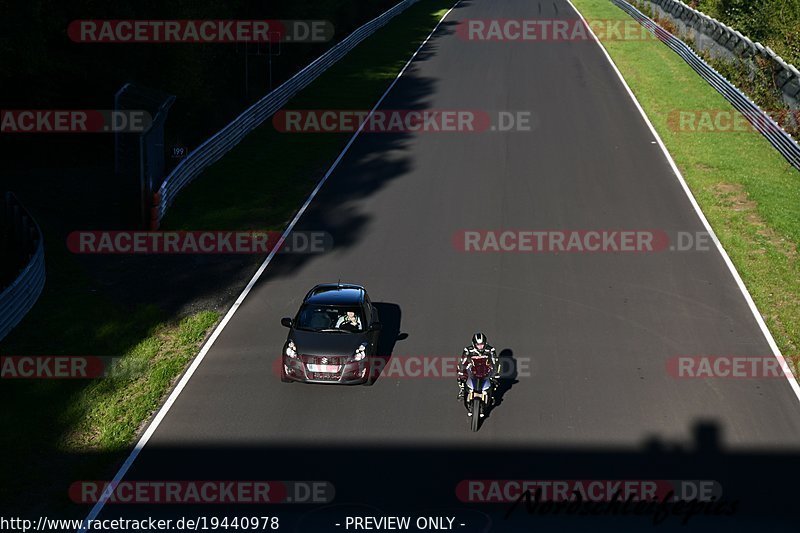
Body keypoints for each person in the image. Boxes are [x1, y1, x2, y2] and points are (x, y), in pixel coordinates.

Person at [457, 332, 499, 402]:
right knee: (461, 378)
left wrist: (495, 374)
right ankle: (463, 390)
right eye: (478, 345)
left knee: (495, 381)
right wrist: (461, 373)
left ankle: (491, 394)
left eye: (482, 344)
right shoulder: (468, 350)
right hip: (472, 368)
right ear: (474, 344)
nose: (480, 347)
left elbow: (495, 362)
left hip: (486, 368)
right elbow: (462, 362)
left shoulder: (491, 350)